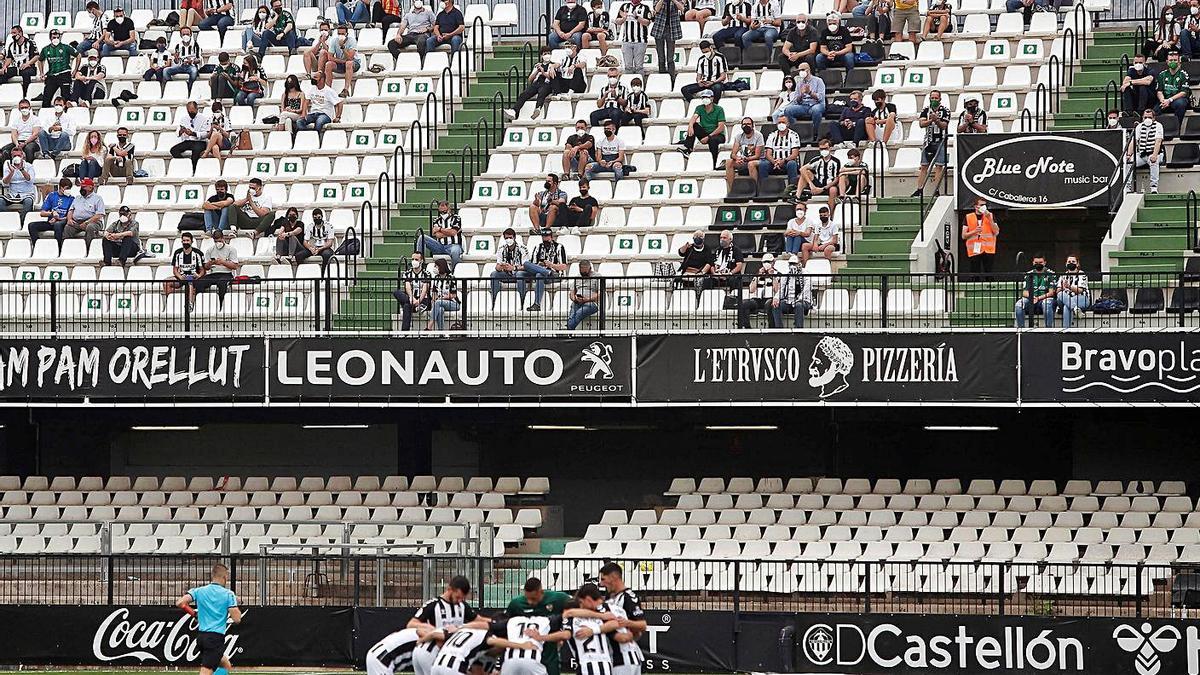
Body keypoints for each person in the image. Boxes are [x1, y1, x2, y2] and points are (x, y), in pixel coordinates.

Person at [175, 564, 241, 675]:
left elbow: (180, 603)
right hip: (215, 639)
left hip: (201, 637)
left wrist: (194, 614)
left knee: (225, 665)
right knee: (206, 672)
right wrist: (235, 604)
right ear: (224, 577)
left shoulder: (199, 591)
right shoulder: (228, 594)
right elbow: (237, 619)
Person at [407, 576, 478, 675]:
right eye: (457, 597)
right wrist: (433, 631)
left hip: (440, 654)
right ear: (449, 589)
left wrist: (495, 623)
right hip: (431, 652)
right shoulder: (433, 605)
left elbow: (479, 620)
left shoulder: (462, 606)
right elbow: (411, 624)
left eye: (462, 598)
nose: (459, 600)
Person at [428, 615, 538, 675]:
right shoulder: (484, 635)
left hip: (436, 667)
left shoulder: (465, 631)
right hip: (455, 667)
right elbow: (495, 642)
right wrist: (521, 645)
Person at [506, 578, 574, 675]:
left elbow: (576, 606)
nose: (530, 602)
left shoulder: (558, 599)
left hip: (549, 649)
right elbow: (505, 624)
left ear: (541, 591)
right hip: (527, 649)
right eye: (527, 598)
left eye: (533, 599)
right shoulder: (516, 604)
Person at [598, 563, 647, 675]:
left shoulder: (628, 597)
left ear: (613, 577)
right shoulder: (610, 597)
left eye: (603, 579)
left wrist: (626, 623)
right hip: (615, 654)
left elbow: (642, 625)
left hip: (626, 655)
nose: (601, 583)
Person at [912, 90, 950, 197]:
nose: (934, 100)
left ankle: (936, 190)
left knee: (939, 166)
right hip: (928, 140)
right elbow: (921, 123)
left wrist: (937, 121)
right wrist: (931, 121)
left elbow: (944, 126)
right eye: (932, 98)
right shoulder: (926, 110)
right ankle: (919, 189)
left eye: (936, 98)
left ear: (940, 99)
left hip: (940, 140)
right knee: (924, 166)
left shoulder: (945, 111)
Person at [504, 47, 558, 121]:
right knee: (524, 94)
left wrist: (542, 72)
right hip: (537, 83)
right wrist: (536, 71)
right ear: (541, 56)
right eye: (545, 54)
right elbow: (530, 79)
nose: (547, 55)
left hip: (547, 83)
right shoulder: (538, 65)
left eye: (549, 53)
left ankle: (538, 108)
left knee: (542, 92)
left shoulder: (552, 65)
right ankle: (514, 111)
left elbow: (551, 77)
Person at [675, 90, 726, 165]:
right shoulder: (699, 108)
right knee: (694, 125)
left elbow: (721, 127)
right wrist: (690, 125)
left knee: (713, 140)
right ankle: (688, 149)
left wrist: (708, 137)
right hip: (705, 133)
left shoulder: (719, 109)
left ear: (712, 98)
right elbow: (694, 117)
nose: (704, 99)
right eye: (703, 97)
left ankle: (713, 162)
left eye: (707, 97)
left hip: (717, 135)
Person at [524, 228, 569, 311]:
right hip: (543, 273)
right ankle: (546, 272)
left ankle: (537, 304)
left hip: (555, 274)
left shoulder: (559, 247)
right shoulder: (538, 247)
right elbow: (533, 264)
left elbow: (564, 266)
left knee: (539, 275)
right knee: (527, 265)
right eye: (543, 237)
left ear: (551, 237)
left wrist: (551, 265)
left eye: (547, 236)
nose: (545, 239)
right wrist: (540, 265)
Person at [1126, 107, 1165, 194]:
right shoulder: (1139, 126)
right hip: (1142, 154)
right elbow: (1134, 141)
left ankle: (1154, 187)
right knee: (1129, 162)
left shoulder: (1159, 126)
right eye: (1145, 117)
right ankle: (1127, 187)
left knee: (1153, 162)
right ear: (1143, 118)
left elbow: (1158, 141)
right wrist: (1129, 155)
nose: (1147, 119)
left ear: (1154, 118)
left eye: (1150, 117)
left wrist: (1154, 155)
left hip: (1155, 153)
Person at [781, 64, 825, 139]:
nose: (800, 72)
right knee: (788, 110)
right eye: (799, 70)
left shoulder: (818, 81)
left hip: (816, 104)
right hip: (804, 105)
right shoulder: (799, 83)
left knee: (816, 110)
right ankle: (796, 131)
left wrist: (810, 92)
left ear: (808, 70)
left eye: (802, 70)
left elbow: (820, 98)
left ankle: (815, 133)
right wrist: (801, 95)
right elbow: (796, 101)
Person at [164, 231, 206, 308]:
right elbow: (175, 270)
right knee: (167, 282)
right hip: (182, 276)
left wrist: (198, 275)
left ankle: (189, 305)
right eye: (184, 241)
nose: (185, 242)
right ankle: (170, 303)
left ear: (192, 241)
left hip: (193, 277)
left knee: (189, 283)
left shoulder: (197, 253)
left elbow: (202, 270)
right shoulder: (177, 253)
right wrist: (180, 277)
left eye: (187, 240)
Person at [27, 178, 74, 247]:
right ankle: (37, 247)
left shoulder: (71, 199)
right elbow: (42, 213)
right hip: (51, 222)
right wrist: (52, 213)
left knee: (57, 225)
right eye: (67, 188)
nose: (68, 190)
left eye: (70, 188)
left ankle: (58, 248)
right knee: (32, 225)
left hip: (63, 222)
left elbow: (70, 215)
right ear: (61, 187)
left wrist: (58, 219)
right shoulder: (51, 196)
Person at [738, 252, 780, 328]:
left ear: (773, 263)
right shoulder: (758, 274)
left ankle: (771, 328)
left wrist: (773, 276)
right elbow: (751, 289)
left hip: (770, 298)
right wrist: (758, 276)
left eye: (769, 262)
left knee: (769, 304)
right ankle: (747, 328)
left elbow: (777, 290)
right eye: (764, 262)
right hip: (757, 299)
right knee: (744, 303)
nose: (766, 264)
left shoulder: (778, 274)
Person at [771, 255, 815, 328]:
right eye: (791, 264)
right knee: (776, 305)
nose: (792, 266)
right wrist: (776, 298)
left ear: (799, 264)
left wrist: (799, 300)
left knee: (799, 305)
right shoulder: (786, 274)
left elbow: (807, 289)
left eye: (794, 264)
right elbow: (781, 289)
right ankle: (779, 329)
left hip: (804, 301)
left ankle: (798, 329)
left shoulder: (806, 273)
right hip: (789, 301)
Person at [418, 199, 464, 268]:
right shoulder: (437, 220)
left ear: (449, 209)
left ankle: (455, 272)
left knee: (455, 251)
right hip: (440, 246)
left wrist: (440, 229)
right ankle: (419, 263)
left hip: (454, 245)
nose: (443, 214)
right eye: (441, 212)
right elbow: (437, 235)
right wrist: (450, 232)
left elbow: (453, 232)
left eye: (444, 211)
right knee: (422, 237)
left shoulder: (456, 218)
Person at [1014, 254, 1056, 328]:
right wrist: (1032, 297)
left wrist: (1038, 298)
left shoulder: (1051, 274)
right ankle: (1021, 330)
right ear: (1033, 263)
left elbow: (1051, 292)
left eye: (1040, 263)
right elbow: (1024, 292)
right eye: (1036, 263)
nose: (1038, 264)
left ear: (1045, 263)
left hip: (1045, 299)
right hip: (1031, 299)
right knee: (1019, 304)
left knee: (1047, 303)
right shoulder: (1029, 274)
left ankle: (1049, 330)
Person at [198, 228, 242, 298]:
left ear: (223, 238)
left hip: (226, 274)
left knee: (222, 283)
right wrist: (210, 263)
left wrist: (223, 262)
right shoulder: (210, 250)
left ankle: (221, 303)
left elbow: (235, 266)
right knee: (200, 282)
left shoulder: (231, 249)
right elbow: (206, 267)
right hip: (213, 274)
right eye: (216, 241)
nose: (218, 243)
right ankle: (202, 302)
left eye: (219, 241)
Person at [798, 139, 841, 211]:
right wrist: (811, 185)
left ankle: (830, 213)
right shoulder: (817, 159)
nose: (823, 151)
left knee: (833, 190)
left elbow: (836, 179)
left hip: (829, 185)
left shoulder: (836, 161)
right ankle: (797, 196)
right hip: (817, 183)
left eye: (825, 148)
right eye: (821, 149)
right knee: (806, 172)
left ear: (830, 148)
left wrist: (823, 188)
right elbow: (802, 169)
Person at [394, 250, 432, 331]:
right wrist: (412, 298)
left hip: (422, 300)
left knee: (406, 306)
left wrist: (418, 301)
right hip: (411, 298)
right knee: (396, 292)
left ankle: (404, 332)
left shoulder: (427, 274)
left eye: (416, 259)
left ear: (421, 261)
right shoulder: (407, 273)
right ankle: (405, 333)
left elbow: (425, 289)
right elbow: (407, 287)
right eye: (412, 259)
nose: (414, 261)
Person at [681, 39, 727, 103]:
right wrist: (699, 82)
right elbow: (698, 76)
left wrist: (713, 82)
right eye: (704, 52)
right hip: (705, 83)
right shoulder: (701, 60)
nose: (706, 54)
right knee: (684, 89)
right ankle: (696, 105)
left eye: (707, 51)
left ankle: (714, 106)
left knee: (717, 88)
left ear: (711, 48)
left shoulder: (720, 57)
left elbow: (723, 76)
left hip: (716, 82)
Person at [39, 30, 77, 108]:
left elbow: (78, 55)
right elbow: (40, 60)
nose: (56, 39)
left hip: (64, 74)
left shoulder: (66, 47)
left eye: (57, 37)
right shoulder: (45, 49)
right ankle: (46, 116)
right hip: (52, 75)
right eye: (54, 37)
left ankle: (66, 116)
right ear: (50, 38)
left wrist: (75, 70)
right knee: (46, 98)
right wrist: (41, 72)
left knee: (66, 98)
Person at [726, 117, 764, 192]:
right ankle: (732, 190)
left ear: (753, 125)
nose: (746, 126)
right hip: (744, 160)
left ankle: (755, 190)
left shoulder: (758, 136)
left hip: (758, 161)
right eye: (744, 124)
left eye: (748, 124)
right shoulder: (739, 136)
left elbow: (757, 155)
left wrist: (745, 159)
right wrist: (737, 158)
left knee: (751, 164)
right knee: (729, 162)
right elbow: (733, 154)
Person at [615, 0, 653, 76]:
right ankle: (629, 84)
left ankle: (639, 84)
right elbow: (617, 21)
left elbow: (647, 23)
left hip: (640, 41)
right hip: (627, 41)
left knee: (639, 67)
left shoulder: (645, 8)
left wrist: (637, 17)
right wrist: (623, 19)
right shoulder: (624, 6)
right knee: (628, 67)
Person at [491, 228, 529, 301]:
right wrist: (501, 266)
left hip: (519, 273)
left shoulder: (523, 249)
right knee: (494, 274)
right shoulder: (501, 249)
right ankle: (494, 299)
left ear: (514, 237)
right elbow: (497, 267)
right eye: (506, 238)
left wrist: (514, 268)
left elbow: (526, 266)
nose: (508, 239)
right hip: (507, 274)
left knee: (520, 274)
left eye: (510, 237)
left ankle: (522, 300)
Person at [172, 100, 211, 171]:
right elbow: (177, 132)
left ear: (197, 109)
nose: (191, 114)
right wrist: (181, 131)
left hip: (199, 141)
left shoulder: (204, 118)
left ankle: (194, 170)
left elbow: (206, 134)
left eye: (192, 112)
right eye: (189, 112)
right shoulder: (184, 118)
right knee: (173, 150)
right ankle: (186, 165)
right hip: (188, 141)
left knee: (195, 153)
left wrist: (193, 133)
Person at [65, 178, 105, 246]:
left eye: (84, 187)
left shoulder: (98, 198)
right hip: (77, 222)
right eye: (81, 187)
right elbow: (71, 210)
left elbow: (99, 215)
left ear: (90, 187)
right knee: (68, 227)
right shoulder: (77, 198)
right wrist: (69, 219)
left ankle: (88, 248)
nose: (81, 189)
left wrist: (86, 222)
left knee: (90, 227)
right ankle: (67, 248)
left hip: (93, 222)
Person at [0, 26, 38, 96]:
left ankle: (25, 95)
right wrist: (4, 67)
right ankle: (5, 94)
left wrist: (27, 63)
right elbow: (9, 58)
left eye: (14, 33)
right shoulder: (11, 45)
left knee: (26, 73)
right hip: (16, 68)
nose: (13, 35)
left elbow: (36, 56)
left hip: (29, 68)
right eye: (12, 33)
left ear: (20, 33)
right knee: (2, 73)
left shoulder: (30, 43)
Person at [326, 22, 361, 98]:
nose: (340, 36)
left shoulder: (352, 41)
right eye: (339, 34)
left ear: (346, 34)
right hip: (341, 62)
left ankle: (345, 89)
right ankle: (327, 89)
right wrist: (342, 61)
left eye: (342, 34)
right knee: (328, 64)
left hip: (354, 63)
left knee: (349, 63)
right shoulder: (334, 41)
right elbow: (330, 57)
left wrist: (343, 47)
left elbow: (350, 58)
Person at [651, 0, 684, 78]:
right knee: (661, 55)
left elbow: (682, 8)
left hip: (672, 28)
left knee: (670, 57)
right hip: (659, 27)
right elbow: (656, 9)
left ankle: (671, 77)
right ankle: (662, 76)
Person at [1156, 51, 1190, 123]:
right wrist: (1163, 101)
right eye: (1171, 60)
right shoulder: (1162, 74)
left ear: (1179, 62)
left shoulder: (1184, 75)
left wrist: (1170, 100)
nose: (1173, 62)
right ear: (1167, 62)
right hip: (1165, 100)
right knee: (1155, 109)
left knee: (1180, 104)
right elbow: (1159, 91)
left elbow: (1183, 92)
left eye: (1175, 60)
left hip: (1177, 99)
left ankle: (1177, 127)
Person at [1, 100, 39, 164]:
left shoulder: (35, 119)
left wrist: (25, 143)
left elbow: (35, 134)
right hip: (18, 141)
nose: (24, 109)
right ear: (19, 109)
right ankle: (10, 168)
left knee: (29, 149)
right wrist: (16, 144)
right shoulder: (16, 120)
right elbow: (13, 134)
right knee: (4, 150)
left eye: (26, 107)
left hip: (31, 142)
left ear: (30, 108)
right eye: (22, 108)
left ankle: (28, 169)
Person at [1057, 255, 1090, 329]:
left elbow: (1080, 290)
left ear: (1077, 264)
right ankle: (1075, 308)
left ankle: (1067, 330)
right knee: (1060, 294)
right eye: (1069, 262)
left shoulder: (1082, 275)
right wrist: (1062, 287)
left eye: (1073, 261)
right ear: (1066, 264)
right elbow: (1057, 291)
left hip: (1081, 298)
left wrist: (1069, 287)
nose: (1071, 263)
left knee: (1067, 306)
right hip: (1064, 299)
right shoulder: (1063, 276)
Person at [425, 258, 459, 330]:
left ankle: (429, 326)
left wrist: (441, 299)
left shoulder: (451, 278)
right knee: (440, 309)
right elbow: (434, 293)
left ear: (441, 266)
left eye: (436, 266)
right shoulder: (436, 278)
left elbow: (453, 295)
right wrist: (434, 300)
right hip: (439, 303)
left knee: (438, 302)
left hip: (453, 303)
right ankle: (441, 332)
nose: (435, 268)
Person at [1, 151, 35, 216]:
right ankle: (8, 219)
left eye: (19, 156)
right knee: (0, 201)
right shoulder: (8, 166)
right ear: (12, 157)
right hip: (12, 194)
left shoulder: (29, 166)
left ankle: (22, 222)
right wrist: (11, 173)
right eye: (14, 156)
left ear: (22, 156)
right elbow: (4, 183)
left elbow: (30, 180)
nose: (17, 157)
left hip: (27, 194)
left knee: (28, 202)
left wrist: (21, 169)